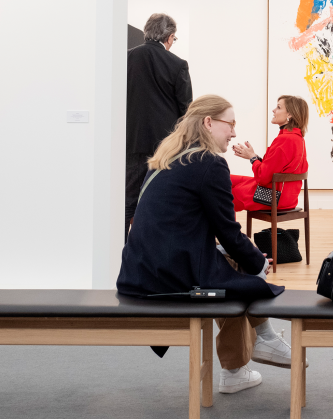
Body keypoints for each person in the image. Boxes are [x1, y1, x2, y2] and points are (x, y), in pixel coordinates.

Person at [117, 94, 294, 395]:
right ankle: (247, 355)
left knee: (233, 260)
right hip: (168, 278)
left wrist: (240, 253)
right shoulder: (209, 163)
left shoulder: (166, 158)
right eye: (231, 124)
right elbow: (228, 230)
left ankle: (252, 350)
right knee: (244, 266)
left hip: (140, 271)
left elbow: (186, 229)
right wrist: (259, 263)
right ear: (209, 122)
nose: (234, 133)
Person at [125, 13, 192, 239]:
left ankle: (121, 254)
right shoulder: (178, 64)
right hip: (166, 145)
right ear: (170, 37)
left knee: (128, 200)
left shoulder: (126, 58)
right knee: (162, 200)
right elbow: (187, 111)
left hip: (132, 141)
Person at [231, 95, 309, 213]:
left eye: (278, 107)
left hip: (273, 198)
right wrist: (254, 156)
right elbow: (276, 168)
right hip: (285, 197)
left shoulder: (285, 139)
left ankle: (227, 231)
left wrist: (252, 158)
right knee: (225, 179)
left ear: (290, 115)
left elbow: (263, 177)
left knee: (224, 196)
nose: (273, 110)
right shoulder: (297, 138)